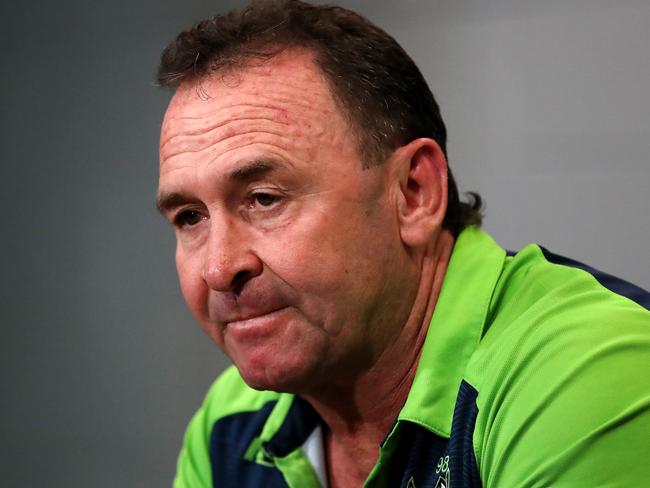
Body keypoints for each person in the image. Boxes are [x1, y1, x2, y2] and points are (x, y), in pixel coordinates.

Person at [155, 1, 650, 486]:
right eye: (190, 217)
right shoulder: (233, 422)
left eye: (264, 199)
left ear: (414, 194)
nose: (219, 268)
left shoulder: (582, 373)